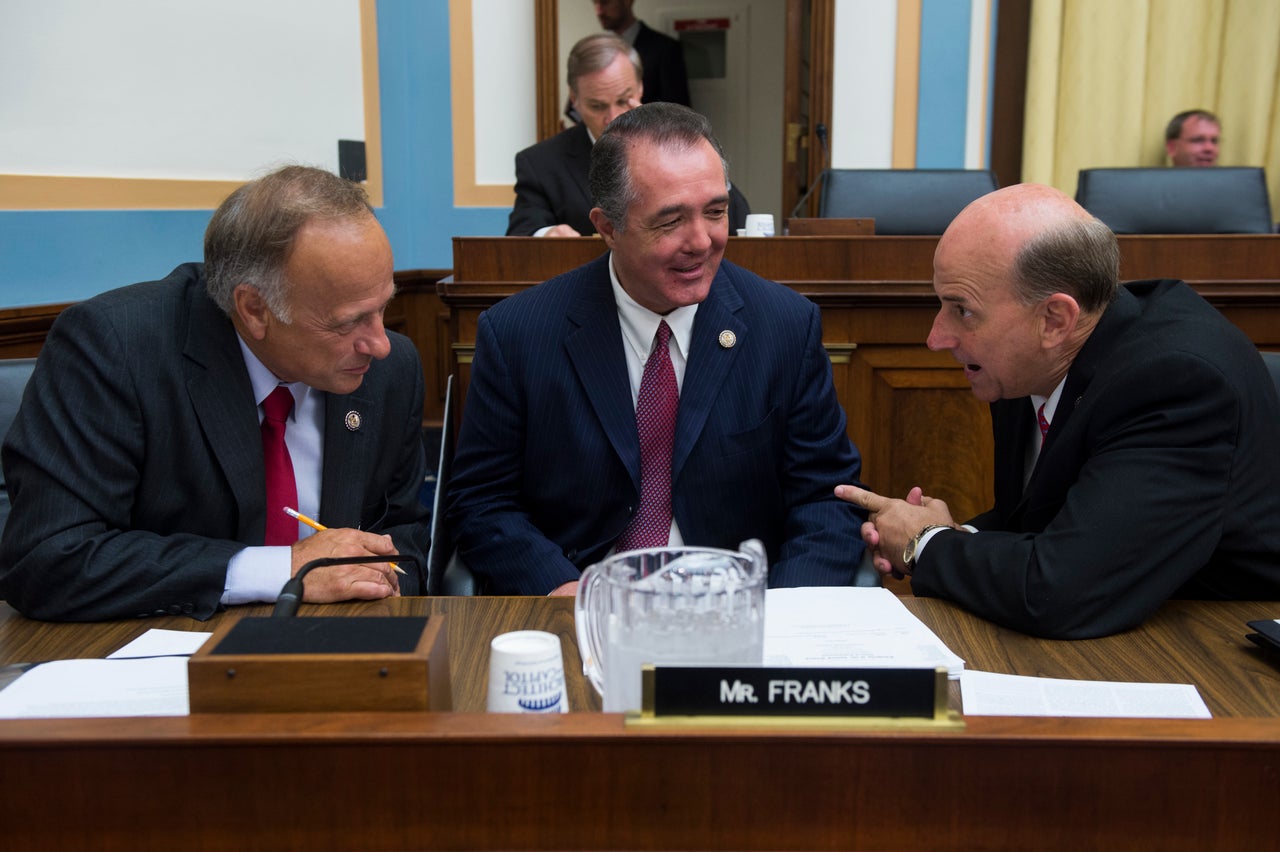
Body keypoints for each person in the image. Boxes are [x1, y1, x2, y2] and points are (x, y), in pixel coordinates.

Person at [453, 102, 865, 595]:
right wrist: (561, 591)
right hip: (586, 609)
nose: (702, 241)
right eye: (670, 221)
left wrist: (782, 617)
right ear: (607, 227)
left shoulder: (784, 326)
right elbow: (482, 501)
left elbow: (826, 499)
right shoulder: (519, 335)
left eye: (716, 212)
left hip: (739, 613)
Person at [836, 183, 1280, 639]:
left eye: (962, 310)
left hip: (1225, 638)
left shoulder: (1175, 382)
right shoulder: (1027, 363)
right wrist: (954, 534)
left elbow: (1061, 590)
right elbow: (1042, 519)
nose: (936, 337)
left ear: (1054, 320)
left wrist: (924, 544)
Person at [0, 165, 429, 621]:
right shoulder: (116, 349)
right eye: (347, 323)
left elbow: (407, 537)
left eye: (384, 307)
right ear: (253, 310)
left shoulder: (390, 370)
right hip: (165, 652)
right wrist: (282, 569)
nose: (378, 343)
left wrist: (380, 580)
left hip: (341, 649)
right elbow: (48, 557)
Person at [508, 33, 748, 237]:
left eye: (623, 100)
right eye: (597, 106)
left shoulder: (680, 148)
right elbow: (523, 231)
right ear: (574, 99)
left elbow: (738, 219)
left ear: (640, 88)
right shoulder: (540, 163)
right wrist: (547, 233)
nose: (613, 117)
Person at [594, 0, 691, 108]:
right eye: (595, 3)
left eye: (605, 2)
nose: (599, 11)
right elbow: (576, 106)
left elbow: (678, 110)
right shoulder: (595, 50)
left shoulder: (665, 48)